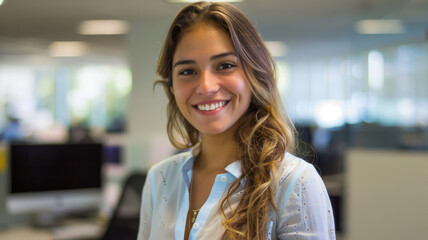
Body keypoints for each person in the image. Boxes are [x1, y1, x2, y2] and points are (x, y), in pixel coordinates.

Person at [137, 1, 335, 239]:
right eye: (188, 71)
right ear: (172, 88)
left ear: (255, 75)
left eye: (225, 65)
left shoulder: (294, 182)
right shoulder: (159, 179)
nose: (206, 87)